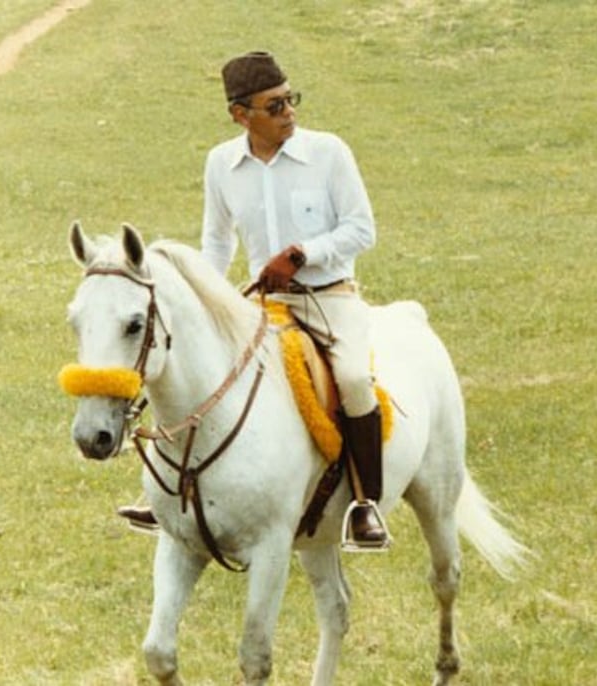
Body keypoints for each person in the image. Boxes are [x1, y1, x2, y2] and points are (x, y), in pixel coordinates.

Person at [118, 51, 390, 550]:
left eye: (290, 100)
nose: (290, 112)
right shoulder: (221, 164)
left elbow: (361, 229)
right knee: (198, 370)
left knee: (352, 377)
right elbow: (217, 243)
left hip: (329, 297)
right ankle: (165, 494)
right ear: (241, 115)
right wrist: (205, 295)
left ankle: (364, 504)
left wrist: (304, 253)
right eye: (275, 105)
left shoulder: (329, 153)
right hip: (261, 305)